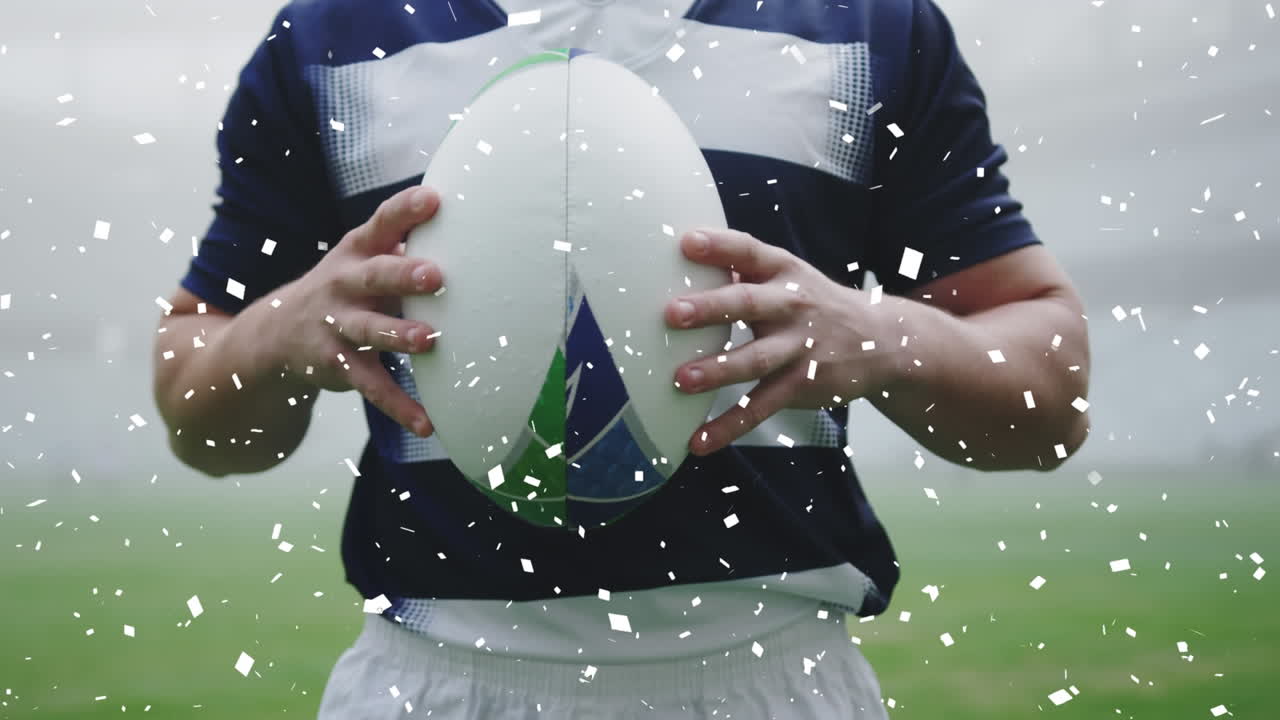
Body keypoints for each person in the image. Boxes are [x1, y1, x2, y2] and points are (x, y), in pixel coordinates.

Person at [153, 0, 1091, 717]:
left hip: (772, 679)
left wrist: (882, 336)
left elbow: (1050, 395)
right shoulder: (338, 35)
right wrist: (272, 336)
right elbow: (198, 410)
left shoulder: (865, 24)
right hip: (439, 682)